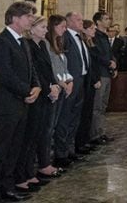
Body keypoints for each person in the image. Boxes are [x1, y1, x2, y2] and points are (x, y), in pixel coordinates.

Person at [0, 2, 40, 203]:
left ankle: (7, 186)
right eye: (28, 16)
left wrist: (36, 86)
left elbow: (31, 69)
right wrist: (26, 91)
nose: (31, 20)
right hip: (5, 106)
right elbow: (5, 74)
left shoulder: (22, 41)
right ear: (15, 18)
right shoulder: (1, 42)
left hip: (21, 104)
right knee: (0, 149)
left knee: (14, 148)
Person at [14, 15, 58, 194]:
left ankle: (30, 171)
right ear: (31, 29)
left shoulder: (42, 45)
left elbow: (48, 68)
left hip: (46, 92)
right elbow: (34, 71)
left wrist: (54, 84)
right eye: (42, 28)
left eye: (46, 28)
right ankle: (23, 173)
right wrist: (47, 87)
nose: (46, 31)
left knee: (40, 132)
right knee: (30, 135)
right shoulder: (28, 45)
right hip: (36, 93)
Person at [53, 12, 88, 167]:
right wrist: (67, 80)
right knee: (65, 117)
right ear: (69, 22)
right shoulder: (65, 37)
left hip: (80, 81)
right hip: (69, 82)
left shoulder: (80, 37)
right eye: (78, 20)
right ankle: (61, 153)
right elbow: (61, 62)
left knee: (75, 117)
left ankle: (70, 149)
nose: (81, 22)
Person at [43, 14, 72, 177]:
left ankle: (50, 157)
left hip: (63, 87)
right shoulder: (46, 44)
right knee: (49, 126)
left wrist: (69, 80)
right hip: (54, 88)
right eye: (62, 26)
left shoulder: (58, 42)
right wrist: (61, 83)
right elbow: (51, 67)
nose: (64, 29)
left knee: (55, 124)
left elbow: (62, 65)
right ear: (53, 26)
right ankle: (46, 160)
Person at [75, 20, 101, 154]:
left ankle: (85, 140)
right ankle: (81, 142)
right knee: (83, 113)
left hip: (90, 79)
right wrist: (95, 79)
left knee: (88, 112)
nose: (94, 31)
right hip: (87, 80)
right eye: (91, 28)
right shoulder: (82, 42)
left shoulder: (90, 43)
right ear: (85, 30)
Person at [91, 11, 116, 145]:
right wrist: (108, 63)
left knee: (103, 105)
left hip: (107, 73)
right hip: (100, 73)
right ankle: (95, 134)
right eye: (106, 19)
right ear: (98, 22)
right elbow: (96, 55)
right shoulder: (95, 36)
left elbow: (109, 53)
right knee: (97, 106)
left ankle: (101, 131)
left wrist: (114, 63)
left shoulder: (105, 36)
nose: (109, 21)